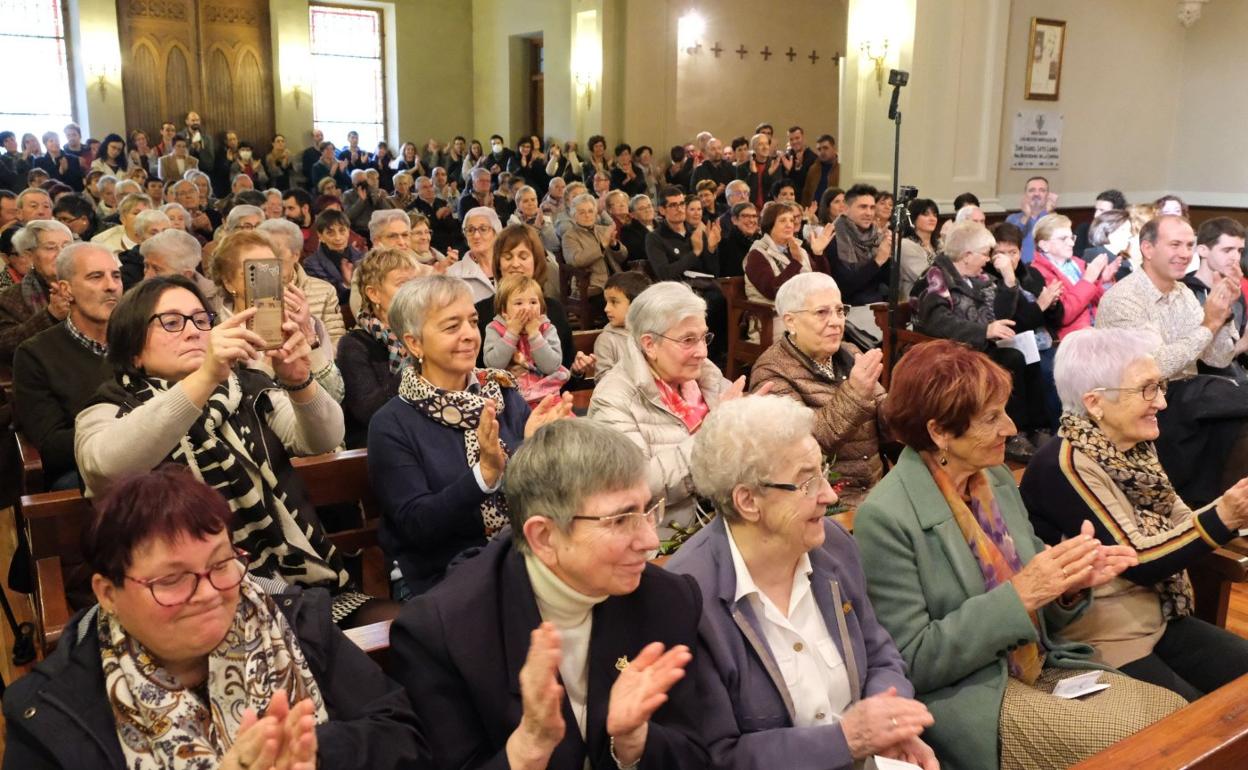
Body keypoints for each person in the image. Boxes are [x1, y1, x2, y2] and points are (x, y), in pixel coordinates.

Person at [853, 339, 1186, 770]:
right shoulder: (886, 516)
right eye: (992, 418)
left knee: (1174, 714)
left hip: (1039, 662)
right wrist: (1023, 593)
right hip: (972, 694)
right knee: (1147, 744)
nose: (1011, 428)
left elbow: (1043, 614)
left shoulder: (995, 481)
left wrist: (1069, 584)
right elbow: (912, 661)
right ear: (939, 432)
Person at [1, 465, 429, 770]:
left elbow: (403, 735)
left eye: (221, 563)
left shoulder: (298, 625)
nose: (208, 593)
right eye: (171, 580)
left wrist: (313, 752)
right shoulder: (51, 716)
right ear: (108, 593)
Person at [390, 418, 708, 769]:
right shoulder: (444, 633)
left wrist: (635, 742)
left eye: (647, 511)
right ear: (544, 537)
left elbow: (698, 753)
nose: (651, 542)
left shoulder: (669, 598)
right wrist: (528, 749)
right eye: (620, 520)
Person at [72, 274, 380, 624]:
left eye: (201, 320)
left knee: (400, 633)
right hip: (188, 606)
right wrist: (204, 377)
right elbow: (106, 467)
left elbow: (321, 440)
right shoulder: (110, 407)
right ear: (134, 351)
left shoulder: (247, 389)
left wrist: (299, 381)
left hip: (296, 588)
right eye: (171, 322)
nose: (192, 331)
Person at [667, 395, 938, 770]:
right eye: (807, 482)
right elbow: (717, 755)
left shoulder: (833, 547)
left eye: (822, 472)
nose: (829, 495)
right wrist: (847, 740)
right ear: (748, 501)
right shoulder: (689, 597)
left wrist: (888, 724)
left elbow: (879, 655)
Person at [1022, 327, 1248, 701]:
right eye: (1147, 389)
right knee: (1195, 721)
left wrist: (1232, 511)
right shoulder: (1064, 464)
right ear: (1095, 403)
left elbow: (1179, 519)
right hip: (1101, 638)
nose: (1161, 402)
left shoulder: (1134, 448)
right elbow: (1138, 559)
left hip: (1156, 619)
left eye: (1160, 387)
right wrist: (1223, 516)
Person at [1096, 215, 1248, 505]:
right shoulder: (1124, 298)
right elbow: (1155, 367)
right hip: (1141, 398)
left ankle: (1225, 510)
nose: (1184, 253)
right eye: (1175, 244)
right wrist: (1209, 325)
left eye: (1189, 244)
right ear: (1148, 249)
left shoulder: (1182, 294)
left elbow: (1217, 359)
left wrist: (1223, 312)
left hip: (1185, 395)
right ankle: (1210, 509)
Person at [589, 282, 747, 534]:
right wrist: (712, 432)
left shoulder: (705, 375)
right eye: (688, 340)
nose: (702, 352)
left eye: (703, 337)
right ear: (649, 344)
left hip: (728, 519)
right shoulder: (613, 398)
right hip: (664, 537)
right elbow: (635, 485)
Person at [912, 221, 1051, 459]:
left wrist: (1008, 280)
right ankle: (1012, 435)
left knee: (1029, 355)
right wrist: (984, 331)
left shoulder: (979, 278)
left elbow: (1003, 314)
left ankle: (1036, 427)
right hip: (950, 350)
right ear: (967, 255)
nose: (988, 259)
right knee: (1013, 359)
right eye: (985, 254)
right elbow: (937, 322)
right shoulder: (936, 277)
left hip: (979, 346)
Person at [749, 273, 886, 508]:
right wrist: (855, 392)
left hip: (878, 490)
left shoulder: (849, 351)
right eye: (822, 312)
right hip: (825, 501)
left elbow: (885, 415)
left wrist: (909, 404)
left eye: (840, 311)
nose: (836, 321)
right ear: (790, 321)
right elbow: (805, 445)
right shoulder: (771, 371)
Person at [13, 243, 119, 490]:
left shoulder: (140, 340)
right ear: (65, 289)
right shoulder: (34, 354)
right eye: (96, 277)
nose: (111, 285)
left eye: (116, 276)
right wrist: (132, 429)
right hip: (83, 471)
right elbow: (51, 448)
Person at [337, 248, 423, 447]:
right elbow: (368, 411)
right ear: (374, 294)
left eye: (415, 282)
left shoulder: (427, 332)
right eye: (403, 283)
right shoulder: (354, 345)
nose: (414, 291)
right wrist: (415, 366)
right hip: (380, 443)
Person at [257, 217, 348, 349]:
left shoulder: (324, 291)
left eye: (275, 253)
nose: (267, 260)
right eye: (261, 253)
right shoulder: (245, 289)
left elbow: (336, 345)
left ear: (295, 255)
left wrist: (310, 339)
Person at [483, 274, 570, 405]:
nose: (527, 308)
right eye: (518, 303)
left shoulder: (547, 328)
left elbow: (551, 366)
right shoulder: (495, 329)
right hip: (510, 399)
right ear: (504, 310)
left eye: (533, 302)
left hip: (547, 397)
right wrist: (512, 333)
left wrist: (534, 334)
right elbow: (493, 365)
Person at [1030, 213, 1114, 342]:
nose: (1071, 243)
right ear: (1044, 245)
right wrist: (1087, 280)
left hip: (1098, 329)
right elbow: (1064, 315)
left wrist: (1105, 281)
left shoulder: (1078, 263)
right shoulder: (1038, 272)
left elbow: (1102, 303)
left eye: (1071, 237)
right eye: (1063, 239)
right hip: (1073, 340)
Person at [0, 220, 72, 362]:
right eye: (51, 248)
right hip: (42, 373)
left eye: (67, 246)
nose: (61, 253)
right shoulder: (11, 298)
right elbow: (5, 346)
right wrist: (50, 315)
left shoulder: (90, 285)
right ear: (29, 256)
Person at [826, 184, 892, 337]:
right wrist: (877, 261)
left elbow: (888, 282)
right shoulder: (834, 238)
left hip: (877, 307)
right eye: (863, 207)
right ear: (845, 209)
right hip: (849, 309)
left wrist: (888, 258)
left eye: (871, 207)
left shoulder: (876, 236)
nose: (869, 213)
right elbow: (844, 287)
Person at [744, 201, 831, 305]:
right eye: (782, 220)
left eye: (791, 221)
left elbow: (824, 283)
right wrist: (796, 262)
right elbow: (773, 291)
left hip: (803, 309)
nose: (789, 225)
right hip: (771, 314)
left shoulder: (799, 250)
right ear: (769, 224)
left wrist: (818, 254)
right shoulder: (757, 254)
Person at [562, 192, 627, 308]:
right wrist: (602, 246)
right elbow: (576, 260)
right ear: (574, 215)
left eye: (590, 211)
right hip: (592, 287)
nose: (587, 215)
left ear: (596, 213)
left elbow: (623, 256)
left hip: (617, 281)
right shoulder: (569, 236)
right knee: (621, 304)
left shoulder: (603, 230)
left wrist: (614, 244)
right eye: (582, 212)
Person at [594, 270, 652, 380]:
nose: (606, 309)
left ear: (636, 304)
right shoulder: (606, 340)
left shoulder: (655, 333)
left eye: (614, 302)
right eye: (606, 302)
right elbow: (602, 380)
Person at [305, 208, 362, 305]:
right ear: (320, 236)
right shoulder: (311, 263)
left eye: (342, 231)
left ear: (348, 232)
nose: (338, 238)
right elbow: (326, 298)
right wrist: (346, 284)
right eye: (330, 233)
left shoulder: (362, 257)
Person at [447, 206, 502, 303]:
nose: (476, 236)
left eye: (483, 229)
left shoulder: (511, 266)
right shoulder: (453, 274)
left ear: (496, 233)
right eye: (470, 230)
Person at [1005, 175, 1057, 263]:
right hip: (1020, 270)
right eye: (1032, 190)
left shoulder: (1055, 219)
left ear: (1048, 195)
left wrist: (1048, 213)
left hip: (1047, 269)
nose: (1036, 194)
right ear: (1025, 195)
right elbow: (1010, 242)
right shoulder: (1013, 219)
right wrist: (1026, 216)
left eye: (1042, 190)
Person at [898, 198, 940, 297]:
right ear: (913, 218)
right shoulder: (905, 245)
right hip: (917, 303)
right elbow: (929, 279)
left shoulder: (939, 244)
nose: (932, 218)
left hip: (940, 297)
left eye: (935, 215)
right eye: (926, 214)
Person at [801, 134, 840, 207]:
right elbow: (806, 194)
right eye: (819, 149)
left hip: (834, 213)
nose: (822, 152)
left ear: (834, 148)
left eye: (825, 148)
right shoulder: (813, 169)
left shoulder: (841, 169)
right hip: (814, 213)